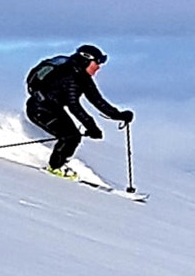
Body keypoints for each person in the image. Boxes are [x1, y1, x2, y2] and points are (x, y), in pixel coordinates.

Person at [25, 44, 134, 180]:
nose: (98, 67)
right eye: (97, 63)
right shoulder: (70, 77)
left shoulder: (82, 77)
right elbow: (74, 106)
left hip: (52, 109)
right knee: (71, 137)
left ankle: (57, 165)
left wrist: (119, 115)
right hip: (39, 109)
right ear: (86, 61)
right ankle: (55, 168)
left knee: (71, 136)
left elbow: (97, 100)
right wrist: (91, 126)